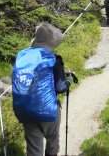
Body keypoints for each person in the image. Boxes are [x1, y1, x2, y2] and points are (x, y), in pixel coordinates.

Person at [12, 23, 69, 156]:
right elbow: (60, 88)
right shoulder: (54, 59)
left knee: (33, 148)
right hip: (47, 111)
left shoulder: (22, 55)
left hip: (24, 109)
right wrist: (69, 82)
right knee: (52, 142)